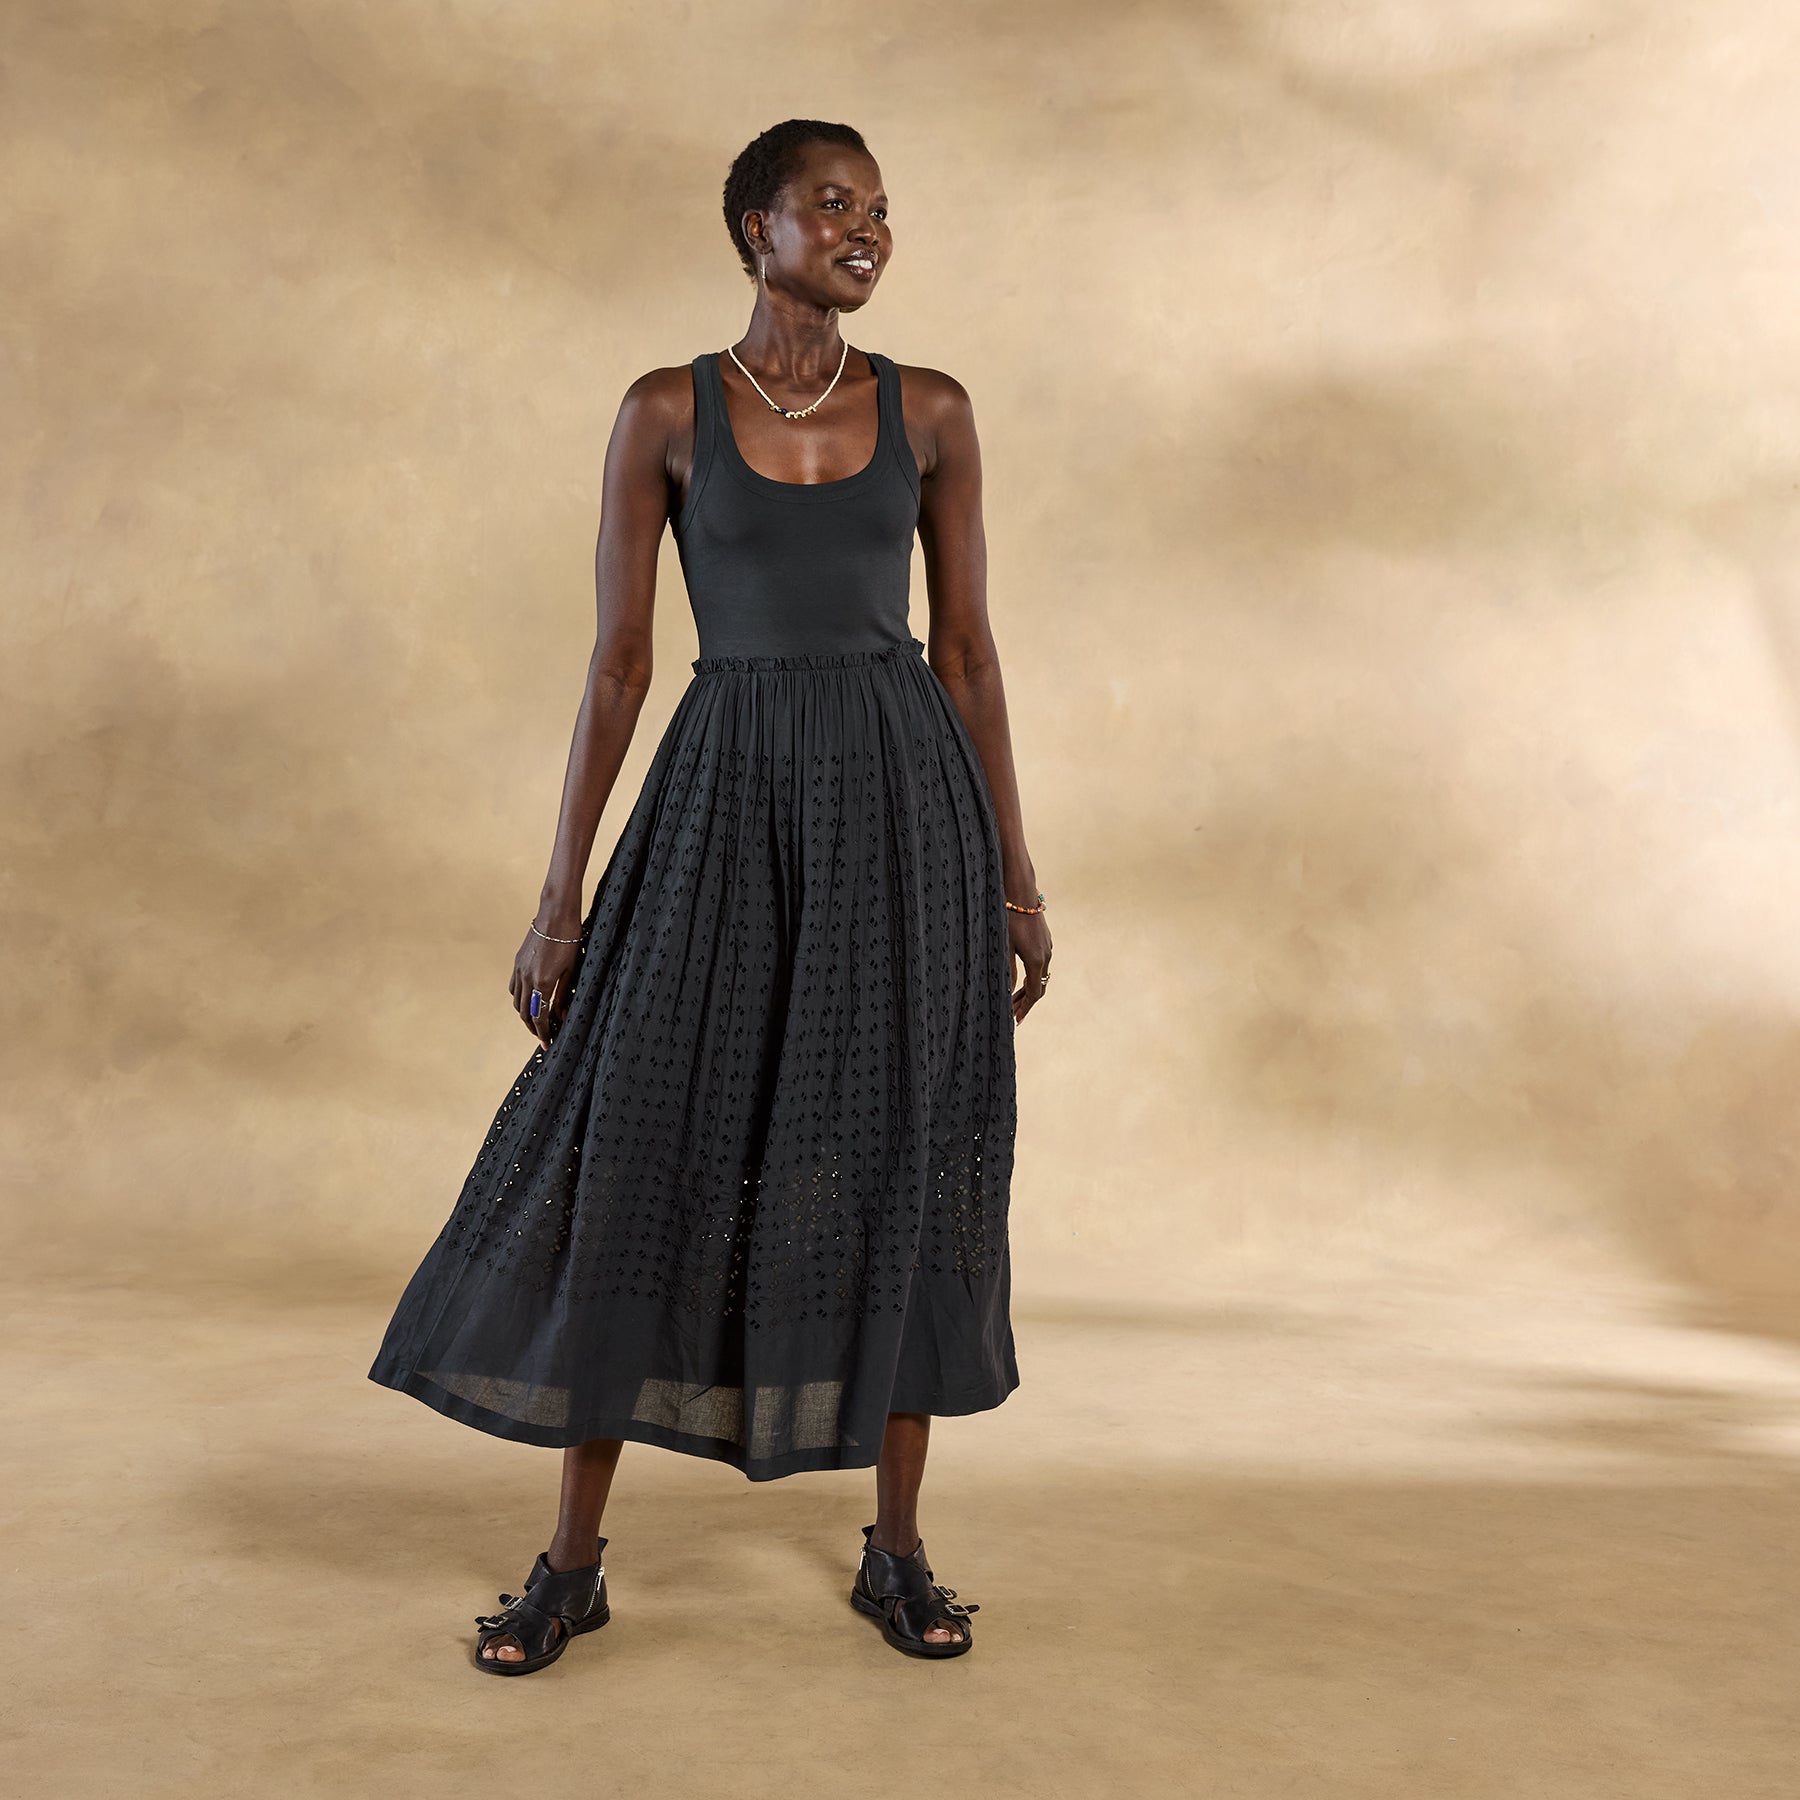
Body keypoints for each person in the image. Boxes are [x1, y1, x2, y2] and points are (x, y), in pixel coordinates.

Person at [367, 117, 1052, 1674]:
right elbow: (619, 662)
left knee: (894, 1160)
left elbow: (968, 652)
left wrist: (1015, 876)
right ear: (758, 228)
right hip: (726, 794)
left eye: (881, 209)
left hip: (902, 809)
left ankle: (898, 1552)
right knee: (640, 1152)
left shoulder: (933, 412)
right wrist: (560, 898)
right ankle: (570, 1566)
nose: (867, 230)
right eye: (834, 204)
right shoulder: (665, 411)